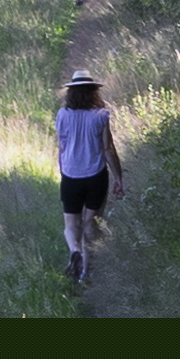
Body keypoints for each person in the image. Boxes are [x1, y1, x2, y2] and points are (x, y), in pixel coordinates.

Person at [54, 70, 120, 291]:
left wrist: (63, 172)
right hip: (96, 177)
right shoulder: (101, 115)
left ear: (71, 92)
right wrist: (119, 177)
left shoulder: (62, 115)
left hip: (71, 176)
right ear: (93, 92)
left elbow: (61, 148)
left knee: (71, 225)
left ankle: (75, 252)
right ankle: (86, 272)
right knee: (89, 223)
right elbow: (108, 149)